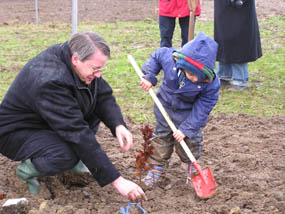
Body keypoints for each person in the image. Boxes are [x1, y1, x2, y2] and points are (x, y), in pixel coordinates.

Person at [0, 31, 147, 202]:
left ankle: (77, 162)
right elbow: (77, 132)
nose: (98, 75)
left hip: (45, 120)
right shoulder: (50, 81)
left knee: (89, 104)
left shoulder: (75, 61)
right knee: (66, 154)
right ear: (76, 59)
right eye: (95, 69)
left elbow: (101, 95)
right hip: (16, 132)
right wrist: (118, 181)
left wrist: (118, 124)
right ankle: (26, 171)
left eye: (100, 69)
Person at [139, 32, 220, 186]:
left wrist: (187, 128)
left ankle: (192, 167)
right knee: (161, 138)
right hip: (164, 107)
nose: (195, 79)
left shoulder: (211, 83)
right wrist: (149, 75)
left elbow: (203, 108)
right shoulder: (171, 59)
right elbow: (156, 56)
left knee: (191, 141)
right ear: (182, 65)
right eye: (191, 74)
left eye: (199, 77)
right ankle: (156, 166)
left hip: (189, 114)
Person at [214, 0, 262, 91]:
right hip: (224, 7)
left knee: (239, 42)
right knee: (224, 40)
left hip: (240, 8)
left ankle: (239, 80)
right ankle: (223, 76)